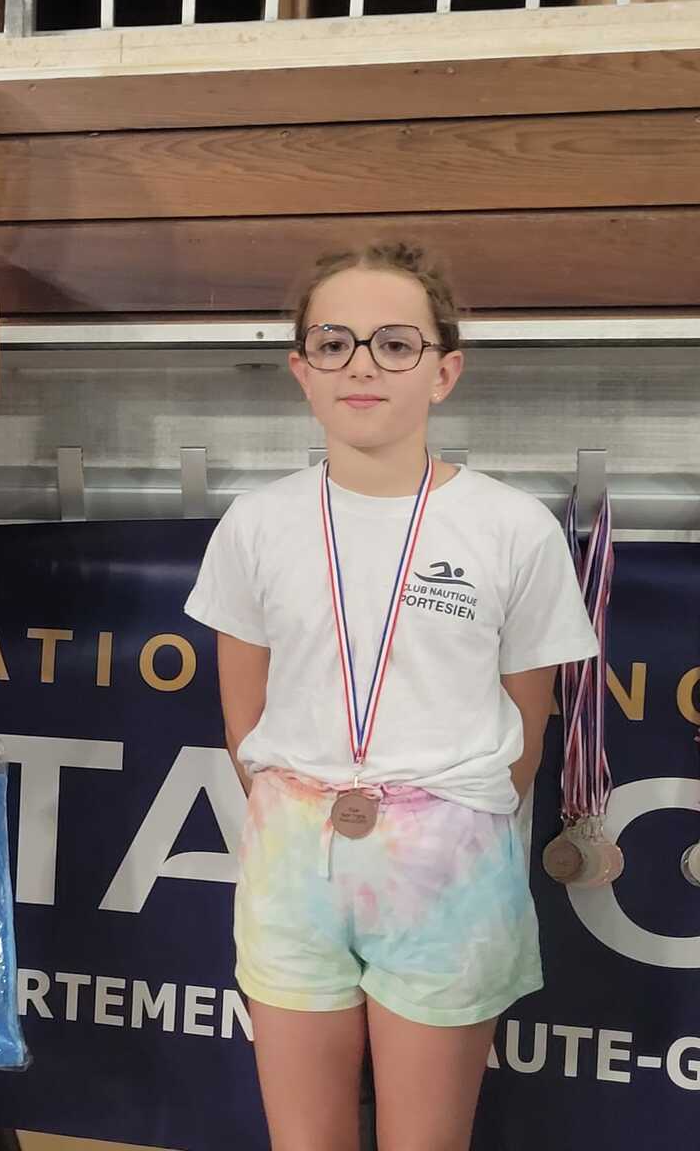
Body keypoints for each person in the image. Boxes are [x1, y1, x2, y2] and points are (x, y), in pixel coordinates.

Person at [185, 244, 598, 1151]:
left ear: (443, 371)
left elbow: (528, 730)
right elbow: (243, 716)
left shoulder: (513, 530)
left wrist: (440, 826)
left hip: (449, 869)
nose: (362, 365)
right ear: (302, 369)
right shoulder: (256, 524)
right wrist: (305, 811)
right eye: (334, 343)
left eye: (395, 344)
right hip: (294, 863)